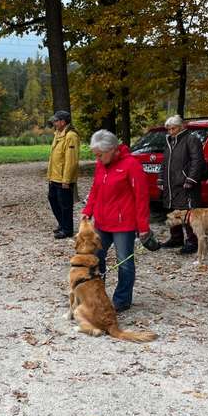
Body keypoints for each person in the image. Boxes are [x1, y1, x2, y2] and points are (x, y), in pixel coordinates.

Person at [82, 130, 150, 313]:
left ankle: (121, 300)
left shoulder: (131, 165)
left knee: (124, 262)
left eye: (100, 154)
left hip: (123, 224)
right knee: (95, 258)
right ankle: (97, 294)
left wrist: (143, 227)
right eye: (95, 155)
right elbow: (95, 188)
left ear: (112, 149)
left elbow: (141, 197)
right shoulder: (101, 164)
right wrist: (88, 211)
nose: (97, 158)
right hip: (102, 221)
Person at [157, 115, 207, 254]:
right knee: (172, 210)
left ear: (181, 127)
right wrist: (161, 179)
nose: (171, 131)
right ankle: (176, 238)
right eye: (168, 129)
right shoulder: (169, 141)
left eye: (173, 128)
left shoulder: (191, 139)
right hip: (171, 183)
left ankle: (193, 242)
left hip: (185, 183)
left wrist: (191, 179)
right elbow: (164, 162)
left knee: (187, 212)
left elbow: (198, 160)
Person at [47, 110, 80, 239]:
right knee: (53, 198)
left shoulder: (71, 136)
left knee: (65, 204)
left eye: (56, 120)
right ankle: (62, 224)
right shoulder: (58, 134)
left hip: (63, 178)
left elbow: (71, 160)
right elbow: (54, 157)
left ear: (63, 122)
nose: (54, 123)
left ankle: (67, 229)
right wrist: (50, 176)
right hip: (55, 176)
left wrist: (66, 180)